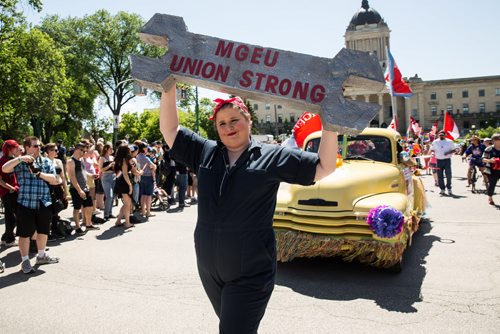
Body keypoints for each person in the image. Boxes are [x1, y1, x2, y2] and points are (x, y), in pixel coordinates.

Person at [160, 86, 338, 333]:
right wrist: (167, 88)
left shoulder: (271, 156)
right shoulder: (206, 152)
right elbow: (170, 130)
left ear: (248, 120)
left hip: (251, 273)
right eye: (222, 123)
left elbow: (324, 167)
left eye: (234, 120)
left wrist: (331, 123)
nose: (228, 127)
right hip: (210, 270)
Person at [2, 136, 61, 274]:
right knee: (24, 234)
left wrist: (39, 173)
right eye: (35, 146)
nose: (38, 148)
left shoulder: (46, 161)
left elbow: (55, 179)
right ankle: (25, 260)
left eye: (39, 146)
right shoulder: (19, 162)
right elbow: (5, 169)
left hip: (43, 202)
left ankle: (41, 256)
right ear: (27, 147)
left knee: (43, 231)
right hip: (25, 203)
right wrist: (20, 159)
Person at [67, 142, 97, 234]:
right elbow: (72, 177)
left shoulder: (81, 160)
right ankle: (77, 227)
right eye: (83, 151)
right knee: (77, 208)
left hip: (85, 187)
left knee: (89, 206)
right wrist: (79, 190)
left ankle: (88, 224)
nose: (84, 153)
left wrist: (91, 175)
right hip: (76, 189)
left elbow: (84, 172)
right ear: (78, 149)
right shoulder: (71, 161)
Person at [0, 140, 21, 247]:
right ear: (9, 148)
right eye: (15, 147)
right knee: (12, 217)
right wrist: (10, 188)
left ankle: (5, 238)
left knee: (12, 216)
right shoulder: (2, 161)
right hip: (7, 192)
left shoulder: (13, 159)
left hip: (15, 191)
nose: (17, 149)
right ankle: (10, 240)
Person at [113, 144, 135, 229]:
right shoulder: (124, 160)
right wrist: (130, 185)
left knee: (126, 203)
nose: (130, 150)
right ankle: (127, 223)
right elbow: (125, 174)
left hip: (121, 181)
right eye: (128, 149)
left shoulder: (119, 159)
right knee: (127, 204)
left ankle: (118, 221)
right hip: (124, 182)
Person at [431, 130, 456, 195]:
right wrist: (433, 153)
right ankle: (442, 189)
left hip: (447, 160)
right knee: (440, 176)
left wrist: (448, 152)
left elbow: (454, 150)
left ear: (445, 135)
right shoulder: (435, 141)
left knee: (448, 175)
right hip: (438, 160)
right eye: (440, 135)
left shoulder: (450, 141)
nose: (441, 136)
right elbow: (432, 149)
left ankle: (449, 188)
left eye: (442, 135)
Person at [99, 143, 116, 220]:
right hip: (105, 177)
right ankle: (106, 214)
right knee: (109, 196)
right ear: (106, 149)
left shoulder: (112, 157)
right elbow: (101, 170)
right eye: (111, 149)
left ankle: (110, 213)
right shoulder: (102, 158)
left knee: (113, 196)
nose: (112, 150)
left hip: (113, 176)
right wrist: (109, 165)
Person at [482, 133, 500, 205]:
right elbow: (483, 159)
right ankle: (490, 197)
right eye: (498, 139)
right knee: (492, 184)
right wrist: (490, 160)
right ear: (494, 141)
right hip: (492, 170)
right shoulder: (489, 149)